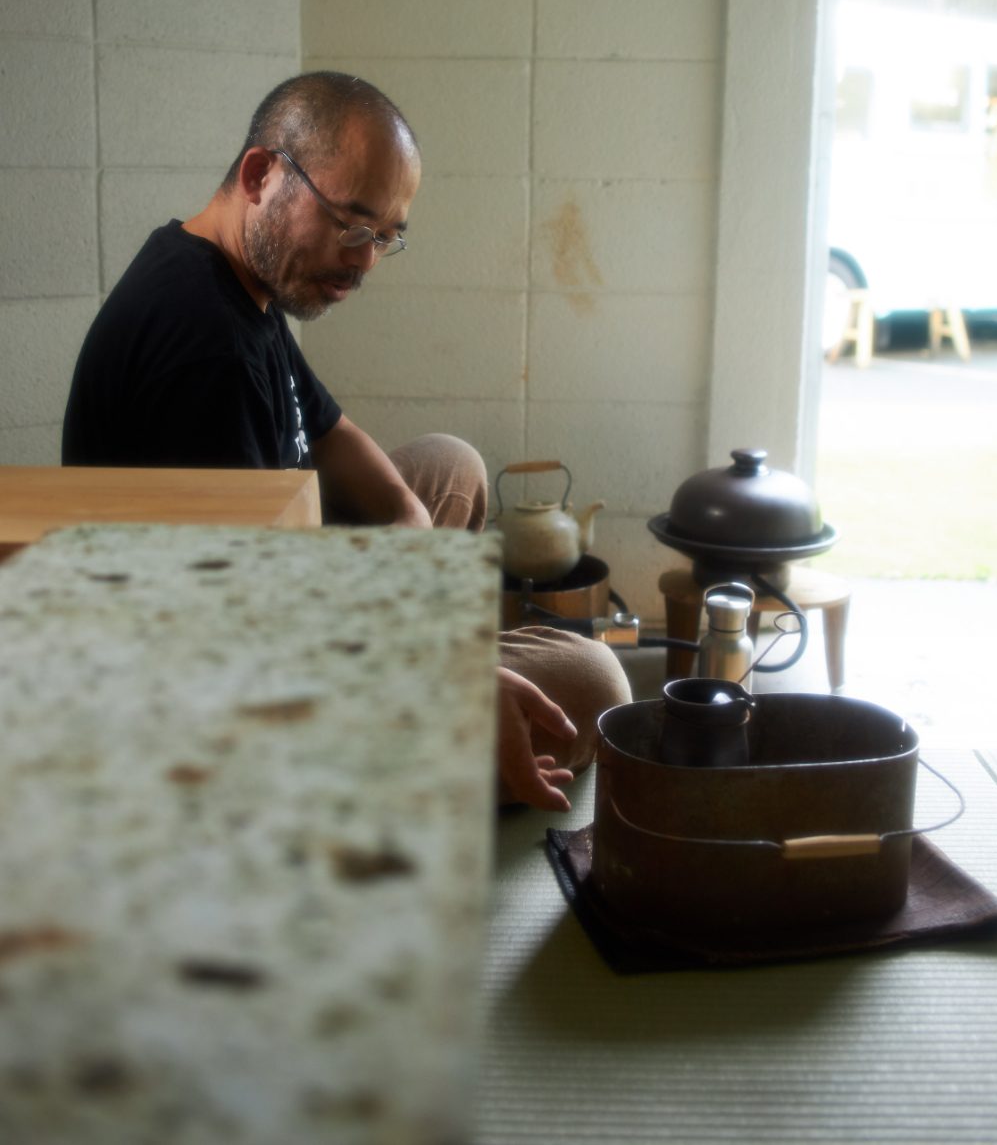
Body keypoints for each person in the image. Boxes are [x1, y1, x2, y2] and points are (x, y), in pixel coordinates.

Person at [63, 72, 631, 810]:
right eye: (351, 224)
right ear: (262, 174)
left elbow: (330, 433)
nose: (365, 259)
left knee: (447, 471)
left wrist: (405, 525)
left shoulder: (229, 273)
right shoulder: (204, 349)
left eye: (386, 236)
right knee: (597, 683)